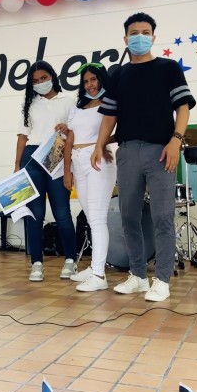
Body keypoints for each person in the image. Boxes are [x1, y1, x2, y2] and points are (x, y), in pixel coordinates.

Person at [91, 12, 195, 302]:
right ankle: (137, 275)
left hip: (161, 151)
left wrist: (176, 140)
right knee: (128, 215)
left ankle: (162, 279)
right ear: (125, 39)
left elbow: (183, 107)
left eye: (145, 32)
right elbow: (109, 115)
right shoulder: (118, 74)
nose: (140, 37)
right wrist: (99, 145)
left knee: (162, 216)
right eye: (134, 33)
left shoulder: (168, 68)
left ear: (153, 37)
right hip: (127, 152)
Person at [16, 61, 77, 281]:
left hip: (56, 156)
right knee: (35, 214)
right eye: (35, 81)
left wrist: (67, 129)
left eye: (44, 78)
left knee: (62, 213)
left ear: (52, 76)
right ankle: (36, 263)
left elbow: (76, 132)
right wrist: (17, 166)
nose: (40, 83)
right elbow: (23, 136)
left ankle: (71, 260)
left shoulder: (68, 101)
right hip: (32, 158)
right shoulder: (30, 105)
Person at [63, 62, 116, 292]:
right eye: (85, 81)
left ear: (102, 79)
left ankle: (98, 274)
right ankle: (95, 266)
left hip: (98, 161)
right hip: (78, 162)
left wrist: (101, 144)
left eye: (93, 79)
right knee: (89, 216)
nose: (90, 85)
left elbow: (122, 131)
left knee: (97, 219)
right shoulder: (78, 108)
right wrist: (67, 170)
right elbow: (71, 139)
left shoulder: (110, 103)